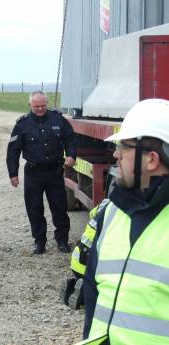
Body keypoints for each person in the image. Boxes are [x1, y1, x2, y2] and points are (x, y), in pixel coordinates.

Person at [79, 99, 169, 345]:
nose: (116, 154)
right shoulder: (111, 212)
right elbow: (92, 292)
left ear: (152, 159)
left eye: (124, 147)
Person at [6, 90, 76, 255]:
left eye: (43, 105)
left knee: (59, 207)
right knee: (34, 208)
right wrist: (13, 174)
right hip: (33, 173)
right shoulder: (22, 125)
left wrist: (72, 155)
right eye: (36, 106)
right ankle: (39, 242)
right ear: (30, 105)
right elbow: (13, 151)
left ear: (47, 103)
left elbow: (70, 139)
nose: (40, 109)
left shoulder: (58, 119)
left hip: (54, 171)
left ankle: (62, 240)